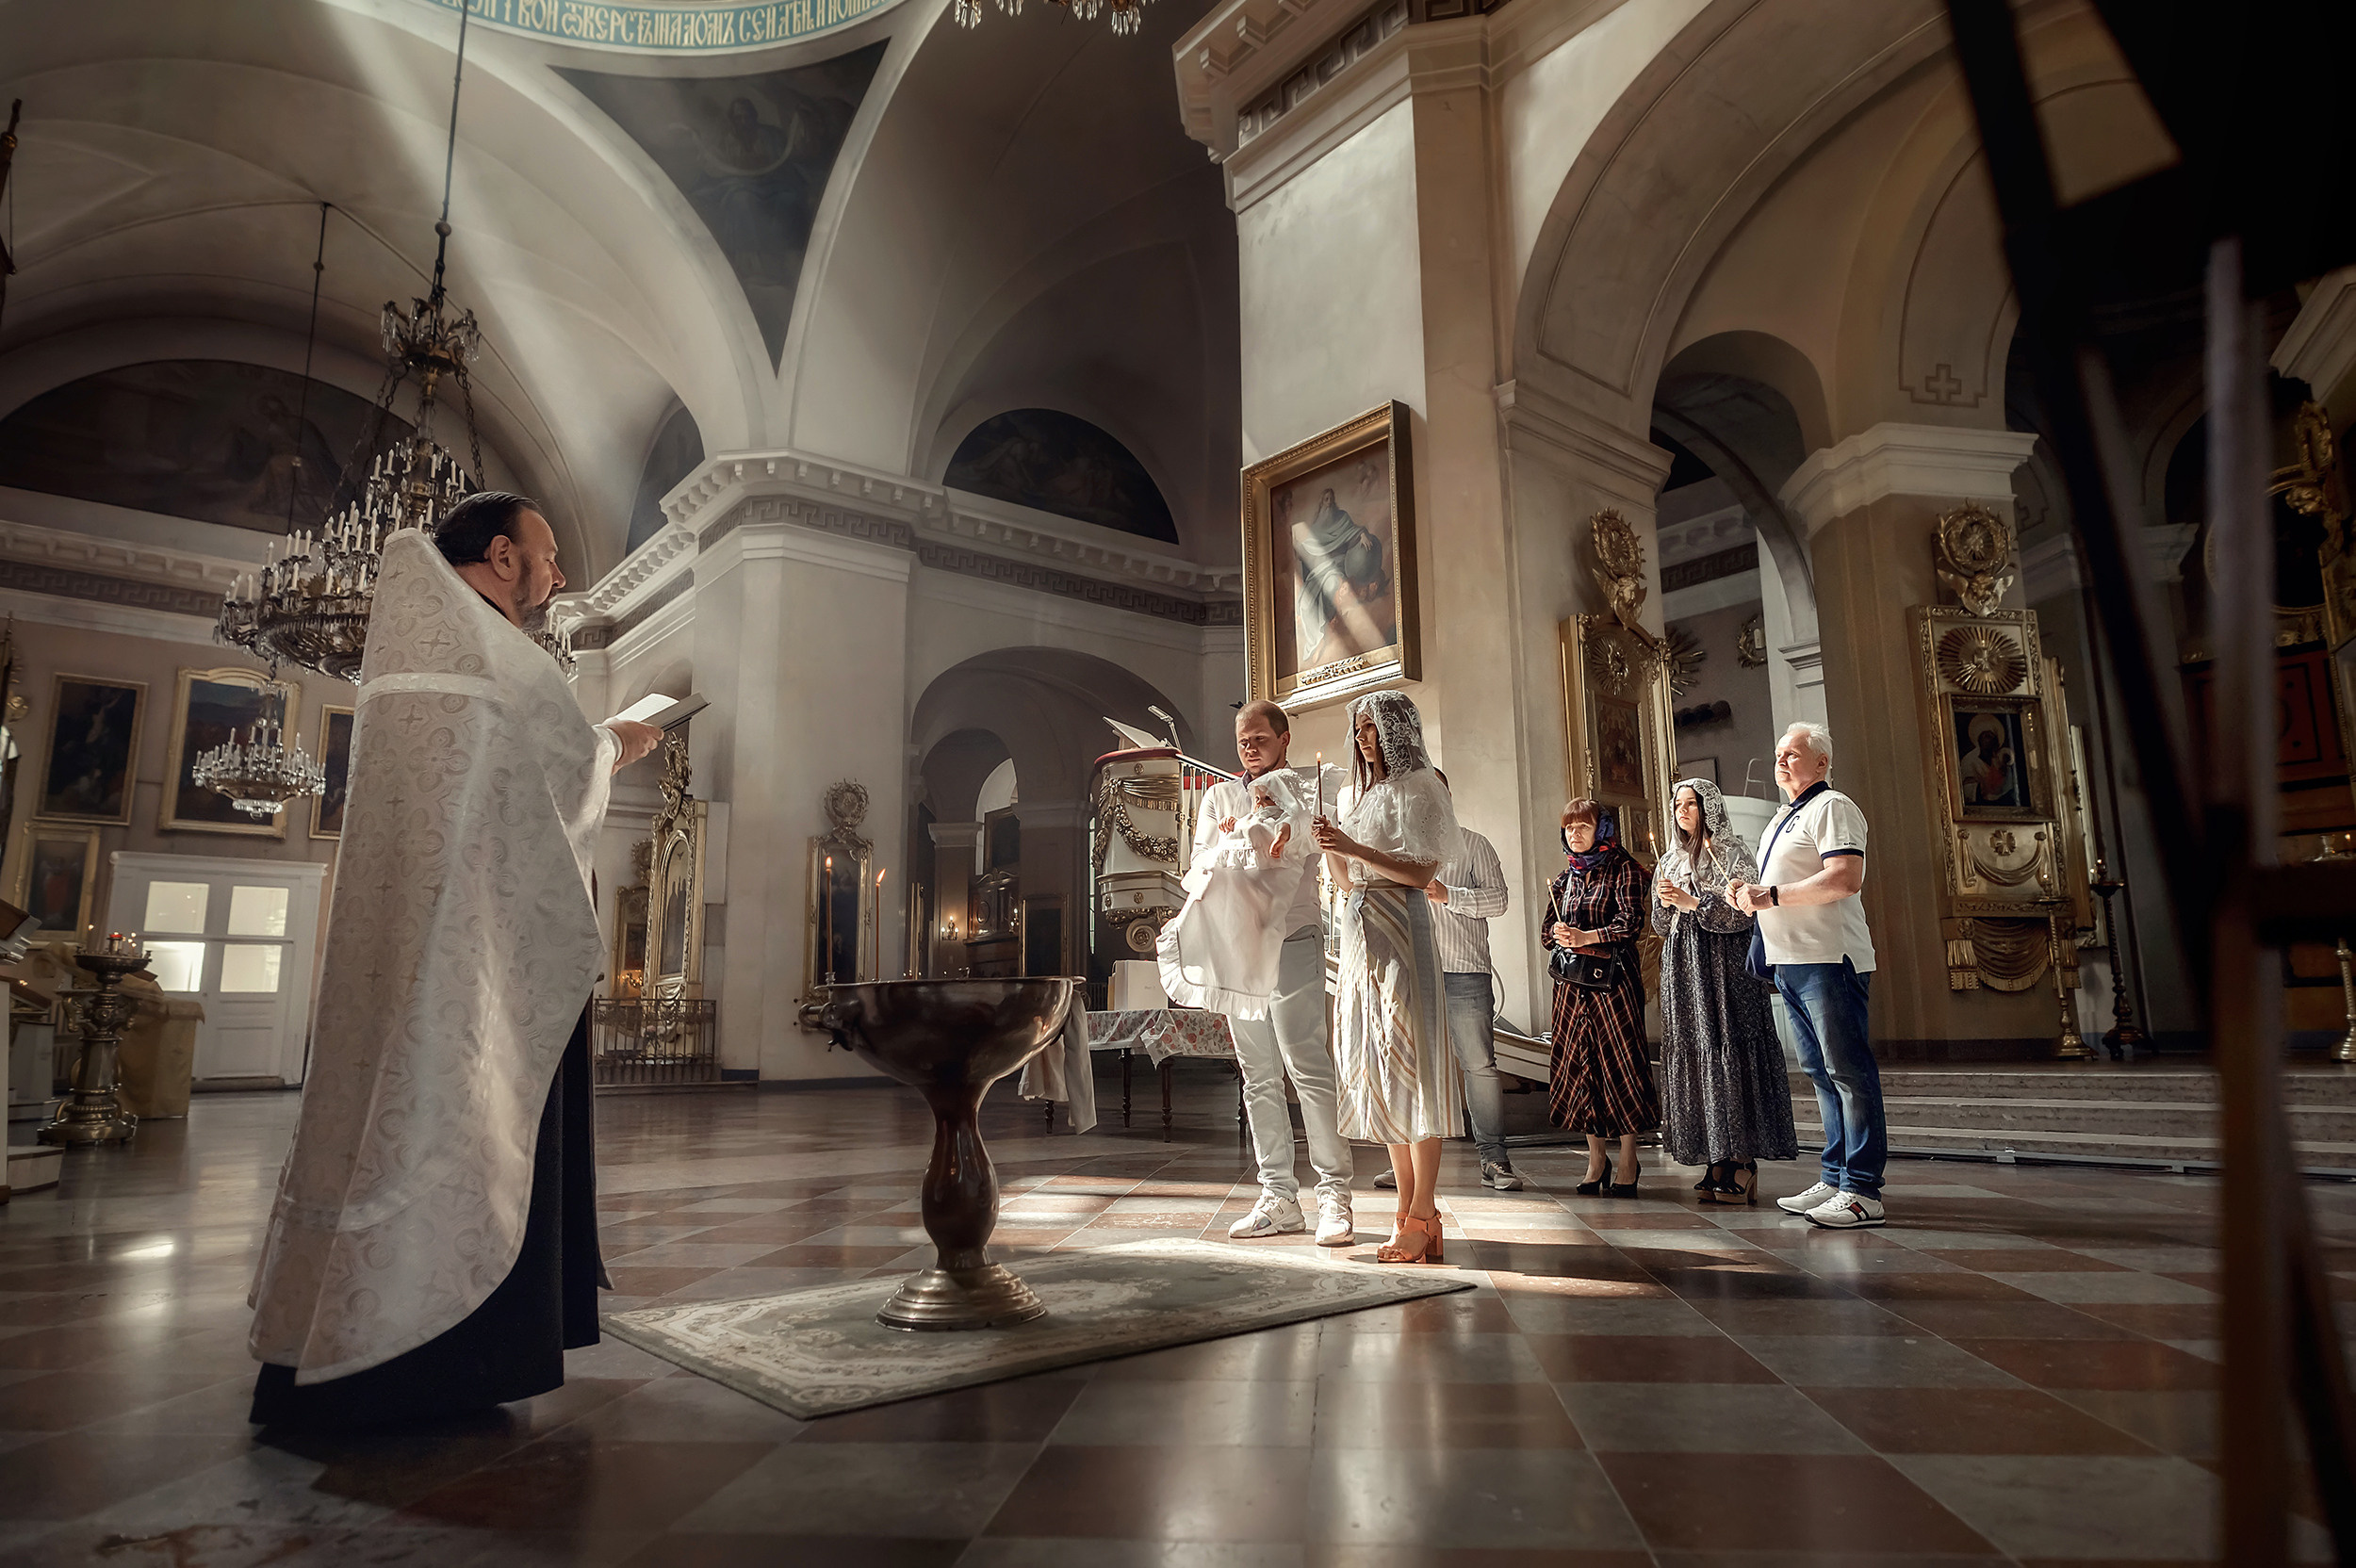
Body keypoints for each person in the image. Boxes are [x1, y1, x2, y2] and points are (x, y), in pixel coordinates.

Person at [247, 493, 663, 1428]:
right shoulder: (501, 655)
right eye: (550, 557)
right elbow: (561, 770)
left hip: (410, 955)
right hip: (485, 960)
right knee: (470, 1122)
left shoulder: (407, 663)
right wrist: (620, 744)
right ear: (504, 555)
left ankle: (335, 1352)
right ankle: (447, 1363)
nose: (559, 577)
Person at [1174, 700, 1355, 1247]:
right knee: (1257, 1074)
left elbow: (1304, 850)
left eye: (1259, 739)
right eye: (1242, 740)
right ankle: (1278, 1196)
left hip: (1294, 938)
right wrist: (1242, 845)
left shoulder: (1308, 789)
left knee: (1307, 1066)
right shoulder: (1218, 796)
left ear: (1284, 739)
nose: (1249, 748)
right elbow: (1201, 864)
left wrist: (1259, 842)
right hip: (1237, 947)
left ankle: (1334, 1195)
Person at [1311, 691, 1463, 1264]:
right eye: (1359, 729)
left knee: (1413, 1063)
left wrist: (1353, 845)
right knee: (1380, 1066)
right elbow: (1348, 882)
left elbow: (1423, 871)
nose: (1364, 738)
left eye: (1373, 728)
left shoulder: (1421, 786)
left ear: (1399, 730)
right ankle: (1405, 1210)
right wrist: (1330, 845)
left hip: (1401, 924)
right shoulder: (1360, 793)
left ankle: (1424, 1211)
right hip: (1360, 932)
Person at [1730, 721, 1884, 1229]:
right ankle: (1836, 1175)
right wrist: (1747, 894)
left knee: (1848, 1072)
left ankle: (1863, 1191)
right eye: (1778, 753)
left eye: (1793, 753)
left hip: (1829, 958)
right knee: (1820, 1074)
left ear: (1821, 762)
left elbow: (1844, 877)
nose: (1781, 761)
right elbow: (1777, 884)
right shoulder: (1779, 818)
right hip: (1790, 960)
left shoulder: (1832, 807)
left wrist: (1770, 896)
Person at [1653, 777, 1797, 1203]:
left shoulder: (1733, 852)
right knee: (1698, 1054)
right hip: (1684, 969)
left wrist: (1695, 904)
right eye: (1677, 804)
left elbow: (1744, 915)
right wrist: (1665, 906)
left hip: (1724, 969)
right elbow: (1661, 927)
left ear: (1709, 807)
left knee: (1730, 1051)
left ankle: (1742, 1160)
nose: (1682, 810)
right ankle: (1715, 1158)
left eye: (1691, 803)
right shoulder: (1669, 859)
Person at [1377, 769, 1521, 1191]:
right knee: (1412, 1067)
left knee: (1478, 1066)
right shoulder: (1399, 851)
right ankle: (1408, 1166)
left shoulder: (1474, 844)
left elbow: (1499, 900)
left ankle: (1494, 1159)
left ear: (1445, 795)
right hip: (1412, 971)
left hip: (1463, 971)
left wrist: (1449, 895)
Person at [1543, 799, 1656, 1196]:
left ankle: (1628, 1158)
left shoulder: (1625, 869)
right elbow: (1545, 932)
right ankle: (1596, 1160)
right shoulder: (1563, 879)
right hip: (1572, 988)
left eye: (1583, 827)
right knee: (1581, 1067)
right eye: (1569, 828)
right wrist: (1559, 934)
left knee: (1620, 1064)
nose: (1575, 834)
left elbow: (1629, 923)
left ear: (1602, 830)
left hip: (1613, 984)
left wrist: (1588, 937)